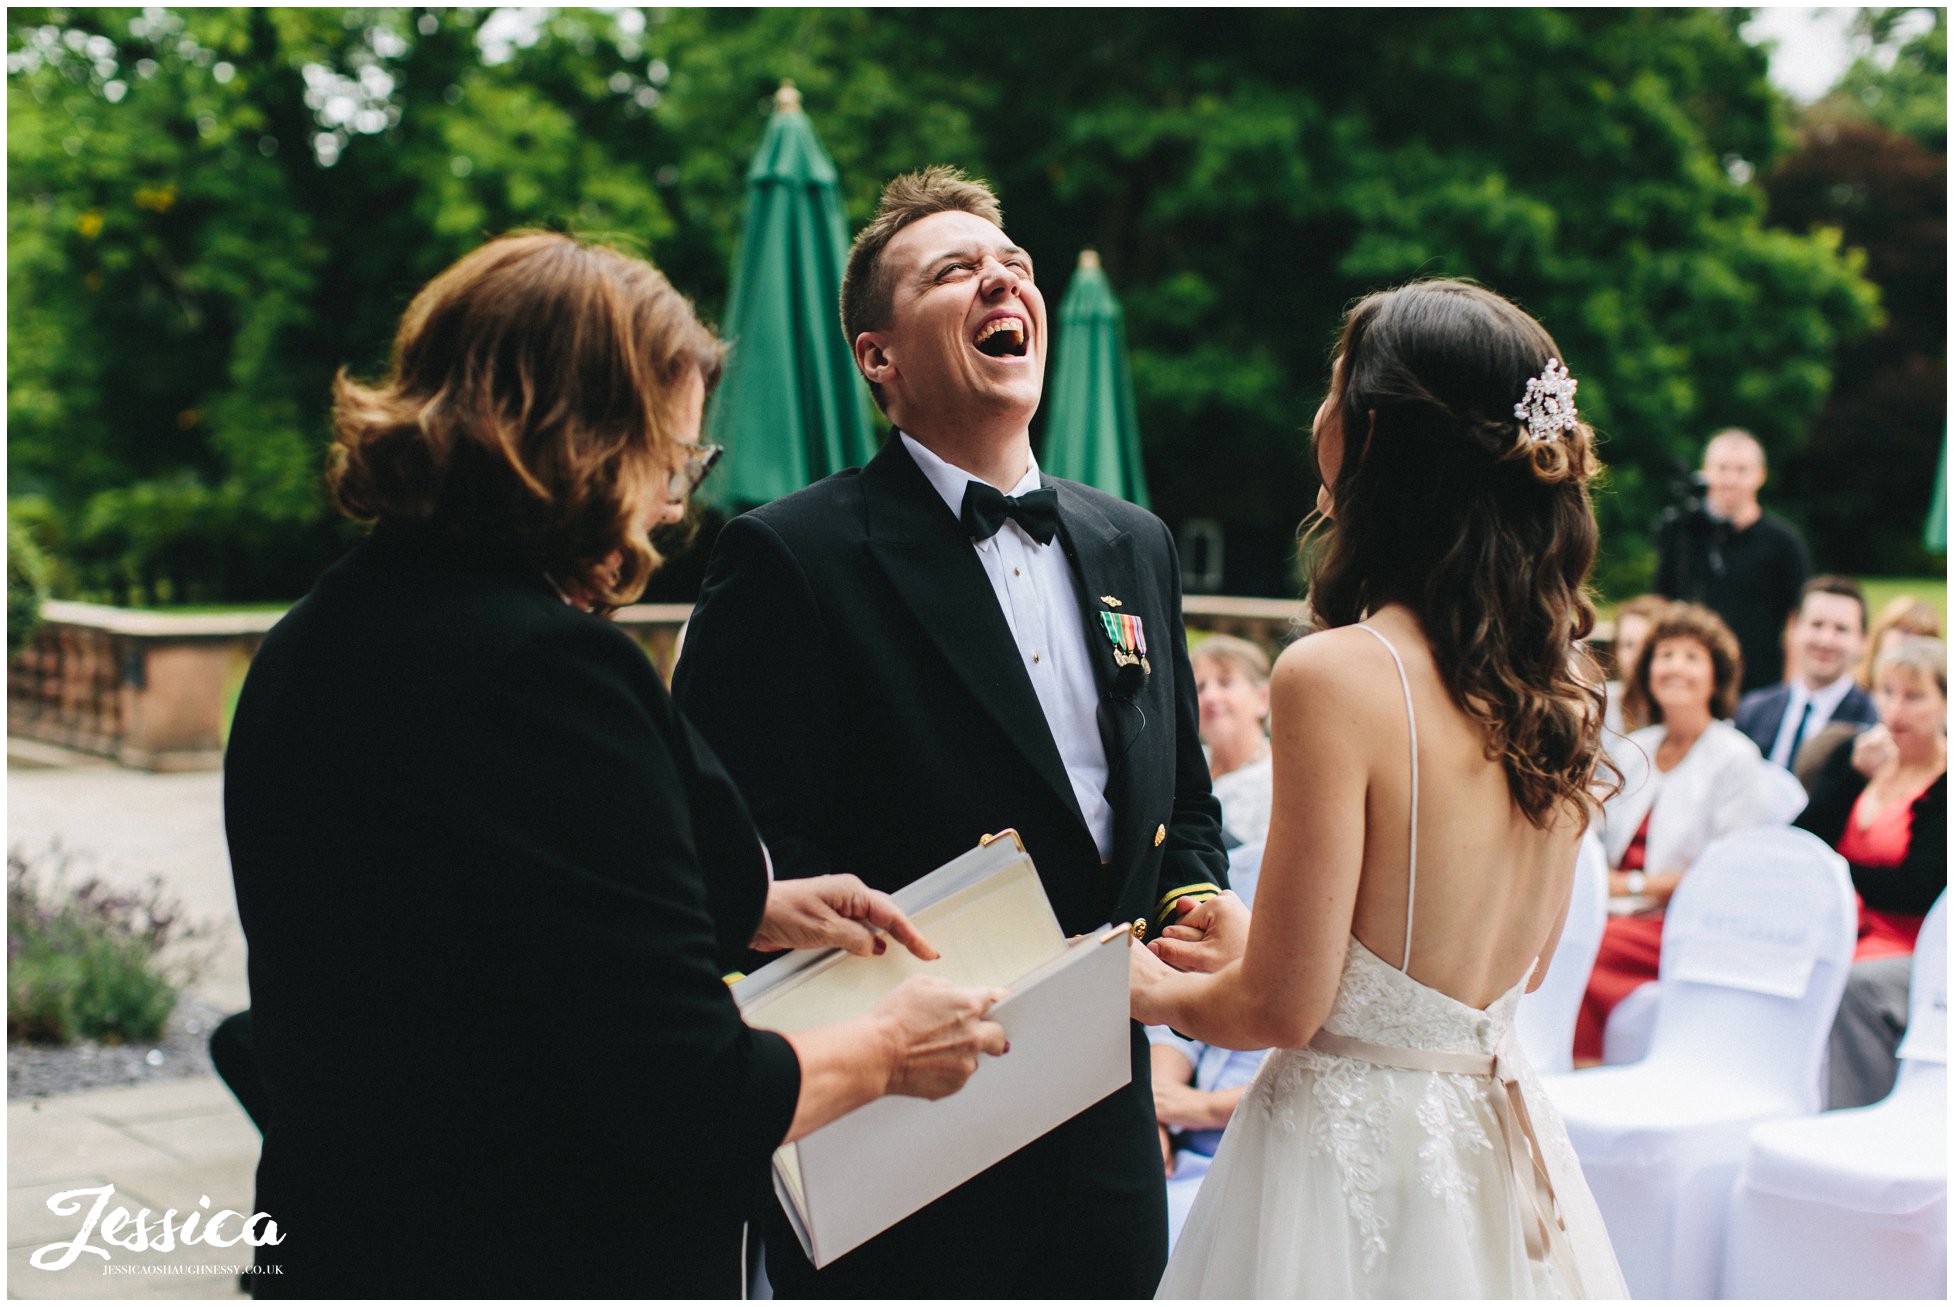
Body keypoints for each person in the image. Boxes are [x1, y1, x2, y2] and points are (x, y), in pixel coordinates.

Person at [224, 233, 1008, 1298]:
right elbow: (679, 1088)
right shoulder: (547, 668)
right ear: (578, 439)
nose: (677, 504)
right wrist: (885, 1050)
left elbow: (471, 917)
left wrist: (749, 901)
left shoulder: (311, 640)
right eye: (673, 458)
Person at [672, 168, 1228, 1299]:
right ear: (878, 355)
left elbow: (1186, 802)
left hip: (1106, 1121)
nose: (999, 279)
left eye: (1010, 262)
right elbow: (714, 837)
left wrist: (1196, 901)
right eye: (954, 270)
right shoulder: (790, 558)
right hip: (903, 1122)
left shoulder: (1135, 543)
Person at [1130, 279, 1628, 1297]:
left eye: (1333, 387)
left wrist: (1153, 991)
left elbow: (1279, 1003)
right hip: (1485, 1141)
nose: (1317, 416)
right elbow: (1507, 970)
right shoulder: (1568, 686)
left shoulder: (1336, 674)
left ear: (1375, 437)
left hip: (1344, 1165)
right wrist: (1260, 934)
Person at [1575, 602, 1788, 1061]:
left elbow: (1725, 873)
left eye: (1692, 657)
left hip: (1676, 921)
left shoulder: (1734, 758)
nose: (1675, 667)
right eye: (1665, 655)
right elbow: (1591, 831)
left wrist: (1630, 887)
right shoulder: (1637, 749)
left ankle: (1581, 1069)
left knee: (1589, 946)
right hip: (1609, 906)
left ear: (1717, 676)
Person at [1146, 842, 1269, 1249]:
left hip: (1271, 1139)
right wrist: (1159, 1111)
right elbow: (1189, 986)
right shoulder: (1249, 868)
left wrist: (1200, 1109)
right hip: (1183, 1127)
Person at [1796, 636, 1947, 958]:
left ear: (1945, 704)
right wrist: (1853, 778)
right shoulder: (1852, 755)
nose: (1895, 710)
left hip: (1904, 942)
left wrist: (1832, 874)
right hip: (1824, 924)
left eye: (1914, 697)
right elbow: (1801, 841)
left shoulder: (1944, 781)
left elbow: (1919, 888)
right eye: (1887, 692)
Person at [1654, 428, 1810, 692]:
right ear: (1705, 471)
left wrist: (1789, 688)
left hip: (1759, 684)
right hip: (1691, 682)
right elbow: (1660, 601)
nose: (1731, 479)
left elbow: (1797, 621)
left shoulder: (1783, 543)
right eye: (1722, 468)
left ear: (1760, 475)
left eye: (1741, 470)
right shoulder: (1683, 533)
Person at [1732, 575, 1878, 766]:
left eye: (1841, 629)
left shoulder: (1871, 724)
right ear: (1792, 628)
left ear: (1864, 641)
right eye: (1816, 625)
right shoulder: (1752, 712)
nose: (1826, 641)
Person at [1191, 634, 1274, 847]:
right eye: (1200, 687)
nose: (1210, 696)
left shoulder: (1277, 779)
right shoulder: (1183, 766)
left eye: (1225, 683)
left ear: (1262, 698)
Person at [1603, 594, 1667, 737]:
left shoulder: (1682, 712)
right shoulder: (1598, 703)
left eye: (1647, 646)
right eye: (1628, 645)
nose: (1637, 656)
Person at [1858, 595, 1944, 690]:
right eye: (1905, 631)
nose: (1912, 641)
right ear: (1882, 632)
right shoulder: (1852, 687)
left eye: (1923, 636)